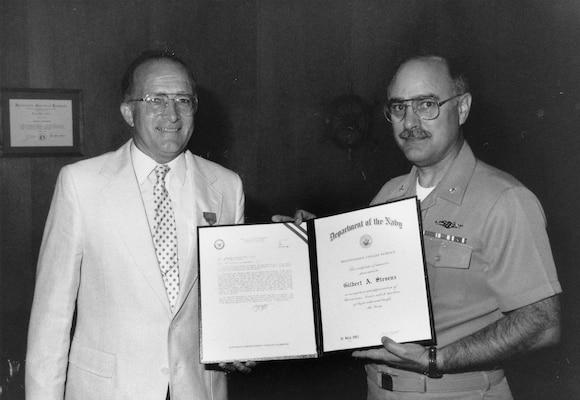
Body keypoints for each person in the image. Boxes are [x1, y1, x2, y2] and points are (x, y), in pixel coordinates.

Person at [274, 55, 561, 399]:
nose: (410, 121)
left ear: (463, 108)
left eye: (427, 104)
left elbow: (542, 324)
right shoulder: (389, 194)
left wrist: (435, 360)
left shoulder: (505, 200)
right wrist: (315, 245)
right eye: (398, 107)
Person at [25, 50, 253, 400]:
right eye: (156, 100)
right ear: (129, 112)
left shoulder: (225, 187)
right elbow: (51, 318)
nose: (172, 114)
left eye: (182, 100)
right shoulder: (80, 184)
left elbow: (230, 302)